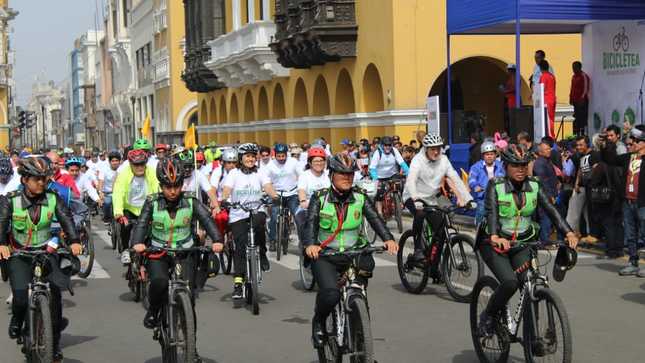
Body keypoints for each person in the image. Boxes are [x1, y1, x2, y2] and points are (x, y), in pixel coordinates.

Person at [477, 144, 578, 336]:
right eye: (515, 165)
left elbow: (551, 209)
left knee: (531, 285)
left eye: (524, 165)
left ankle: (533, 340)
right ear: (505, 166)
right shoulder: (496, 185)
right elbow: (492, 213)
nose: (521, 169)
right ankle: (488, 315)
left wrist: (568, 232)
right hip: (494, 243)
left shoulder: (534, 185)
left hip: (523, 242)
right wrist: (495, 236)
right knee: (509, 283)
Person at [302, 153, 398, 348]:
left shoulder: (360, 197)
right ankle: (319, 321)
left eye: (350, 174)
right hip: (326, 254)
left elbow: (375, 219)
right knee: (330, 294)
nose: (347, 178)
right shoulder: (320, 198)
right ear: (331, 175)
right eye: (342, 174)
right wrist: (311, 244)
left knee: (358, 291)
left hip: (355, 253)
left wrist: (388, 239)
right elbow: (310, 224)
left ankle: (363, 342)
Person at [0, 157, 82, 361]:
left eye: (44, 179)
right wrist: (2, 244)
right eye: (37, 179)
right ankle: (17, 322)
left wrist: (74, 240)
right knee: (19, 297)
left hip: (46, 253)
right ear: (25, 179)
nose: (42, 183)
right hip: (19, 254)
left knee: (55, 296)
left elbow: (66, 219)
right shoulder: (10, 199)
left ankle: (53, 343)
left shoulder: (53, 198)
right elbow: (1, 223)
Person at [130, 158, 223, 335]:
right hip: (158, 251)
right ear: (161, 186)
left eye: (176, 186)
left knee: (189, 297)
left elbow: (207, 220)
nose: (172, 191)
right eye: (168, 187)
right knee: (159, 282)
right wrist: (138, 243)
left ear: (182, 185)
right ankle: (154, 311)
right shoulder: (152, 202)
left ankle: (192, 349)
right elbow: (141, 224)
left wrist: (217, 240)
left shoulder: (191, 201)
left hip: (185, 251)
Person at [402, 133, 472, 272]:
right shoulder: (418, 160)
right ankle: (417, 249)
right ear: (426, 148)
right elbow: (411, 180)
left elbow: (455, 178)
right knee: (420, 214)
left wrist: (468, 198)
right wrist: (415, 198)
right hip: (413, 196)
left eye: (438, 148)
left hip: (431, 199)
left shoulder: (444, 160)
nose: (436, 152)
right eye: (432, 149)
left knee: (441, 231)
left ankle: (434, 266)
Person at [220, 143, 278, 300]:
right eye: (247, 156)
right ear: (241, 158)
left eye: (253, 156)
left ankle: (263, 254)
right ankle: (238, 282)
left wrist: (274, 196)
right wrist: (224, 199)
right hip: (238, 214)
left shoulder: (260, 173)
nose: (251, 159)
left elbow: (268, 187)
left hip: (256, 210)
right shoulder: (233, 174)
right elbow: (227, 189)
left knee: (260, 224)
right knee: (240, 245)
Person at [602, 125, 645, 275]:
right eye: (630, 141)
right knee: (630, 235)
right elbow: (609, 159)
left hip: (642, 203)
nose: (631, 144)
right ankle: (633, 263)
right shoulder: (628, 157)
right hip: (628, 202)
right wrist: (605, 144)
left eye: (635, 141)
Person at [112, 149, 160, 262]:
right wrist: (119, 213)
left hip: (147, 207)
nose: (139, 167)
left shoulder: (152, 172)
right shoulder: (124, 174)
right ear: (130, 164)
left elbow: (158, 189)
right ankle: (125, 250)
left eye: (142, 164)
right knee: (126, 226)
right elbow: (118, 193)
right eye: (136, 165)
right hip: (130, 208)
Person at [265, 143, 301, 253]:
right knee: (274, 216)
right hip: (277, 194)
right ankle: (272, 240)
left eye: (283, 156)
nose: (281, 158)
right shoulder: (270, 165)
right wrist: (270, 192)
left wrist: (301, 188)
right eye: (279, 156)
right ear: (275, 155)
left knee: (297, 215)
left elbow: (302, 175)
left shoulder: (294, 162)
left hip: (292, 193)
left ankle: (303, 240)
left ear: (287, 154)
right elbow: (266, 181)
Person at [295, 147, 329, 245]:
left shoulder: (328, 174)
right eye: (316, 161)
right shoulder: (305, 175)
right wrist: (302, 201)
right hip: (308, 207)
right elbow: (301, 190)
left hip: (327, 208)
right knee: (301, 220)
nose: (319, 163)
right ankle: (305, 244)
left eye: (321, 160)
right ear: (310, 163)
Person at [369, 136, 409, 215]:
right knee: (380, 193)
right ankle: (380, 213)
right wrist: (376, 179)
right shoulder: (378, 153)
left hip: (392, 174)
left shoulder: (394, 151)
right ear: (382, 145)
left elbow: (402, 163)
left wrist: (408, 173)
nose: (387, 147)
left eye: (389, 145)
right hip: (379, 176)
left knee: (401, 185)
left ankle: (399, 201)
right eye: (385, 145)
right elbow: (372, 168)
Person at [469, 141, 504, 225]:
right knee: (481, 216)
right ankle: (479, 227)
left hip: (497, 197)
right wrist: (475, 186)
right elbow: (471, 179)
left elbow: (504, 178)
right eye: (487, 154)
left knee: (498, 219)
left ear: (495, 155)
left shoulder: (500, 166)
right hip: (483, 197)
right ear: (483, 155)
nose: (489, 157)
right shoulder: (476, 166)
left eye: (491, 154)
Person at [532, 142, 559, 241]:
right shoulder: (540, 163)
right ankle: (545, 241)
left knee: (549, 217)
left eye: (549, 148)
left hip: (551, 193)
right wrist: (550, 195)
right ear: (540, 152)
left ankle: (546, 240)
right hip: (545, 195)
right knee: (546, 217)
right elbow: (543, 181)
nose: (549, 150)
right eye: (547, 149)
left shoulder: (547, 161)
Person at [97, 150, 122, 225]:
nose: (115, 162)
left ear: (119, 161)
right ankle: (106, 218)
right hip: (107, 193)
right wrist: (100, 192)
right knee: (107, 203)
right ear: (110, 162)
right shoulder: (104, 169)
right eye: (113, 161)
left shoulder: (122, 169)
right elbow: (101, 181)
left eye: (116, 160)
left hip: (119, 193)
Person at [569, 61, 590, 136]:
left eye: (575, 67)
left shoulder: (583, 76)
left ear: (579, 67)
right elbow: (572, 88)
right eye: (573, 67)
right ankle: (576, 134)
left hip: (582, 101)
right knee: (576, 118)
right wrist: (570, 97)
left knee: (582, 119)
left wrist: (582, 98)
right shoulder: (573, 77)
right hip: (575, 101)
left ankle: (583, 134)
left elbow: (585, 88)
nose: (573, 69)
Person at [539, 60, 556, 139]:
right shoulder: (552, 76)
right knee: (551, 119)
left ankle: (550, 138)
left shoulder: (543, 76)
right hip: (552, 99)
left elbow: (541, 88)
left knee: (548, 120)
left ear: (540, 68)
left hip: (546, 100)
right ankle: (551, 136)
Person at [502, 64, 517, 130]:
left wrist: (505, 91)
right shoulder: (511, 78)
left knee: (512, 116)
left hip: (512, 99)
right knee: (509, 117)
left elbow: (514, 88)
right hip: (509, 99)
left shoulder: (514, 77)